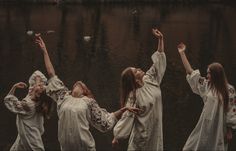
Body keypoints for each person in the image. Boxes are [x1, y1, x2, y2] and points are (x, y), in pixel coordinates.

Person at [35, 35, 140, 151]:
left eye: (82, 85)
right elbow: (51, 73)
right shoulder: (63, 96)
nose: (79, 82)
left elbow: (105, 122)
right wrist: (44, 50)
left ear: (84, 92)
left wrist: (123, 110)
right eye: (77, 83)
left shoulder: (89, 102)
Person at [112, 28, 166, 151]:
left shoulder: (150, 79)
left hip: (156, 134)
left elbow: (159, 63)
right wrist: (117, 137)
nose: (139, 69)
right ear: (134, 80)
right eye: (136, 71)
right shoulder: (133, 96)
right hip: (143, 138)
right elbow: (127, 117)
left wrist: (160, 39)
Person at [177, 42, 236, 150]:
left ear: (216, 74)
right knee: (193, 146)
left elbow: (231, 109)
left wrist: (229, 130)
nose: (207, 75)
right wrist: (182, 53)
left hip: (219, 125)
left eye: (209, 73)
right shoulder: (207, 85)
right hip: (205, 122)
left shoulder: (229, 90)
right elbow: (191, 72)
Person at [4, 70, 53, 151]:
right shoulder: (32, 99)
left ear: (38, 94)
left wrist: (14, 87)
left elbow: (8, 101)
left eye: (41, 87)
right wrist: (37, 83)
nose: (40, 84)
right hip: (25, 138)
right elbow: (38, 75)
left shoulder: (28, 105)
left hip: (31, 139)